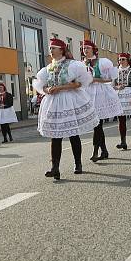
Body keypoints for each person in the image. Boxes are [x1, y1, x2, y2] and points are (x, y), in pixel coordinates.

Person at [35, 38, 96, 179]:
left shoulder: (72, 65)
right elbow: (41, 86)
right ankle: (55, 167)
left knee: (73, 134)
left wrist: (60, 87)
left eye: (53, 48)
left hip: (69, 100)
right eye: (50, 48)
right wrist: (47, 89)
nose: (51, 50)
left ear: (61, 50)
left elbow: (78, 84)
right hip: (53, 102)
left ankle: (78, 163)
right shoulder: (47, 69)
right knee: (55, 136)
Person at [82, 40, 123, 162]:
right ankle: (104, 151)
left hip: (100, 94)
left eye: (88, 48)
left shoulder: (102, 62)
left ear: (93, 49)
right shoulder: (82, 64)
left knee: (97, 124)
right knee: (97, 125)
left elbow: (110, 79)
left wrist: (95, 79)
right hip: (88, 93)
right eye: (84, 48)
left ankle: (96, 151)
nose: (85, 50)